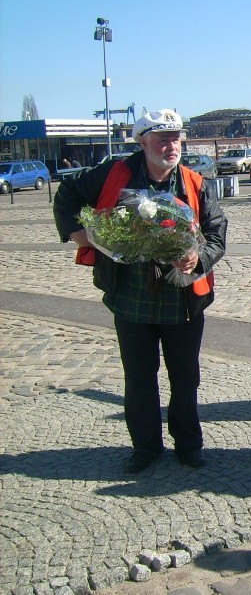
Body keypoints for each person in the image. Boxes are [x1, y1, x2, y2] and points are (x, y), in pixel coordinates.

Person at [53, 109, 227, 474]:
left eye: (176, 137)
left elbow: (215, 234)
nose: (171, 145)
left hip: (182, 298)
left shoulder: (196, 183)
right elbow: (67, 192)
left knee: (185, 376)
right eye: (162, 138)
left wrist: (198, 257)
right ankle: (145, 447)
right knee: (139, 376)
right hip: (129, 296)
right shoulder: (113, 173)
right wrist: (77, 233)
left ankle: (188, 445)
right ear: (142, 141)